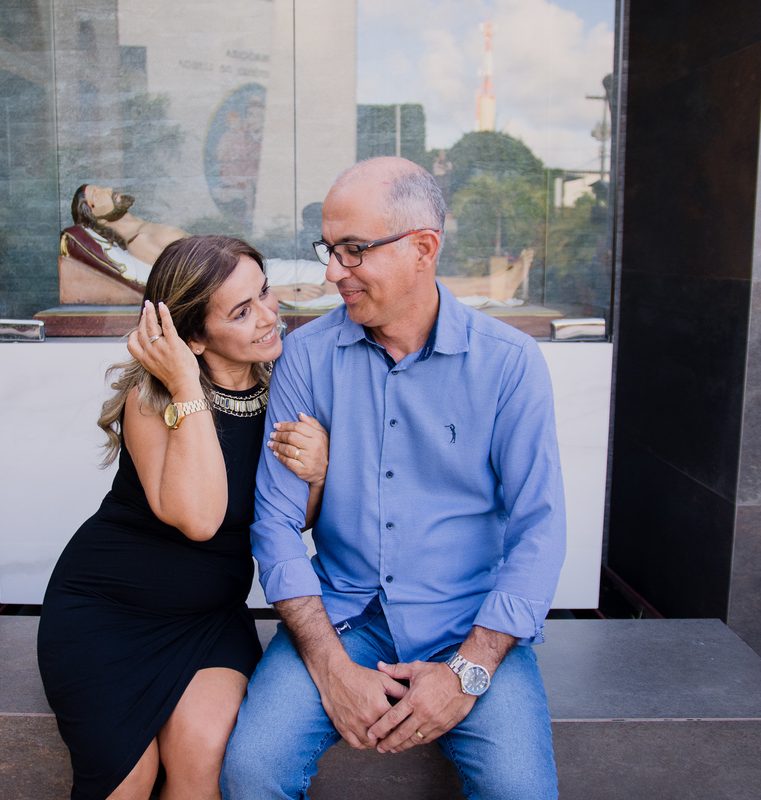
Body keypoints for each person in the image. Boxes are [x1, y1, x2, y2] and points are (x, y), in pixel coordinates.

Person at [222, 157, 566, 799]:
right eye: (328, 249)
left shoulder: (510, 364)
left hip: (471, 622)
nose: (331, 272)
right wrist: (328, 667)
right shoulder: (306, 355)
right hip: (342, 619)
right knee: (251, 771)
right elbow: (273, 523)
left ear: (423, 249)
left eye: (353, 251)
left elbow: (539, 531)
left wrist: (470, 670)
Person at [38, 235, 330, 800]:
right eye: (242, 312)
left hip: (209, 621)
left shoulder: (287, 387)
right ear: (191, 336)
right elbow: (198, 518)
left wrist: (316, 475)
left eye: (265, 293)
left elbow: (294, 519)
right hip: (107, 614)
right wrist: (183, 382)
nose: (270, 316)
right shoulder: (151, 400)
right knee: (130, 780)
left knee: (203, 757)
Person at [60, 185, 327, 304]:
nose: (108, 190)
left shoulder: (145, 229)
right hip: (246, 281)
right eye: (99, 194)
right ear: (95, 211)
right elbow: (196, 281)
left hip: (246, 271)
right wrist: (273, 292)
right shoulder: (140, 243)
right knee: (329, 283)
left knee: (331, 274)